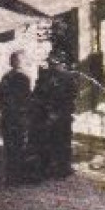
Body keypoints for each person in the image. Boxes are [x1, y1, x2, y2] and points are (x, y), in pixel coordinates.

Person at [31, 48, 78, 180]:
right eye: (52, 62)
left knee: (61, 142)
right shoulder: (44, 75)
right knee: (47, 141)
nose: (54, 65)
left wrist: (58, 112)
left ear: (62, 63)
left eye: (56, 62)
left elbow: (70, 98)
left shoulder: (68, 77)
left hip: (61, 115)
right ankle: (47, 168)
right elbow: (37, 94)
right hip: (46, 114)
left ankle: (62, 169)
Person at [0, 52, 34, 184]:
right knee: (19, 145)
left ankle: (11, 177)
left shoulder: (6, 77)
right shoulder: (24, 78)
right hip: (19, 117)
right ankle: (18, 177)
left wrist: (6, 108)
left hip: (7, 116)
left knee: (9, 146)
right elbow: (27, 99)